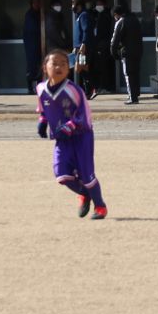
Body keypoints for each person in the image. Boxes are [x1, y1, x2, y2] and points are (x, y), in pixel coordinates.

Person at [36, 49, 107, 219]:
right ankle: (86, 194)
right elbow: (43, 109)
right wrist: (42, 122)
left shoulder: (74, 90)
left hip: (81, 136)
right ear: (45, 67)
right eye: (55, 63)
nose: (59, 66)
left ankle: (100, 207)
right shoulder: (41, 89)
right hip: (61, 139)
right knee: (61, 175)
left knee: (86, 174)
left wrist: (69, 127)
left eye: (64, 63)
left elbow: (83, 115)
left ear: (69, 69)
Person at [109, 5, 144, 104]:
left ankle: (132, 97)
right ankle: (136, 94)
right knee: (135, 73)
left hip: (127, 52)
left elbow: (115, 40)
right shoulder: (135, 20)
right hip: (138, 51)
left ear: (116, 14)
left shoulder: (121, 22)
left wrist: (114, 53)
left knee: (128, 74)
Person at [89, 0, 114, 100]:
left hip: (104, 44)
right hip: (97, 44)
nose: (98, 6)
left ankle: (105, 86)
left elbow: (106, 31)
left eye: (100, 4)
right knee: (98, 67)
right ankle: (99, 86)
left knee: (105, 67)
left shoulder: (107, 15)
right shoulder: (95, 15)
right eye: (97, 4)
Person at [72, 0, 93, 88]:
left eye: (74, 4)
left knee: (80, 67)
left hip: (82, 48)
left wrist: (83, 44)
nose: (72, 7)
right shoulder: (79, 16)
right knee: (83, 67)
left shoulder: (83, 15)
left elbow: (86, 30)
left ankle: (92, 87)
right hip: (78, 47)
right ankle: (88, 89)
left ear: (79, 6)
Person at [22, 0, 44, 87]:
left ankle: (39, 84)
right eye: (35, 3)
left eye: (38, 2)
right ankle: (30, 86)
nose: (37, 4)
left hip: (39, 44)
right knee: (32, 65)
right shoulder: (29, 15)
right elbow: (32, 29)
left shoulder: (40, 13)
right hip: (31, 44)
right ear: (31, 4)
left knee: (40, 65)